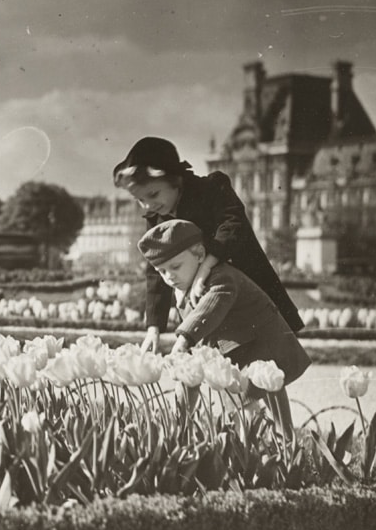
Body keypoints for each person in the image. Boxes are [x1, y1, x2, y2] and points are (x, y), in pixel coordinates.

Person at [113, 136, 303, 353]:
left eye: (153, 194)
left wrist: (206, 266)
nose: (148, 205)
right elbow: (155, 271)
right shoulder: (156, 216)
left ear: (174, 179)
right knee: (221, 365)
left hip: (248, 292)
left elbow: (234, 225)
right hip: (209, 304)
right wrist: (153, 328)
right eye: (140, 199)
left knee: (263, 362)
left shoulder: (211, 188)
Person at [137, 218, 310, 437]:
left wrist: (183, 340)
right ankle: (252, 442)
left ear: (200, 255)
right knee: (242, 400)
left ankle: (282, 442)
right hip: (234, 349)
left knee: (263, 389)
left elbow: (208, 310)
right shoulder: (184, 288)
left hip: (260, 341)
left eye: (175, 267)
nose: (169, 277)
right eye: (162, 271)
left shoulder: (221, 277)